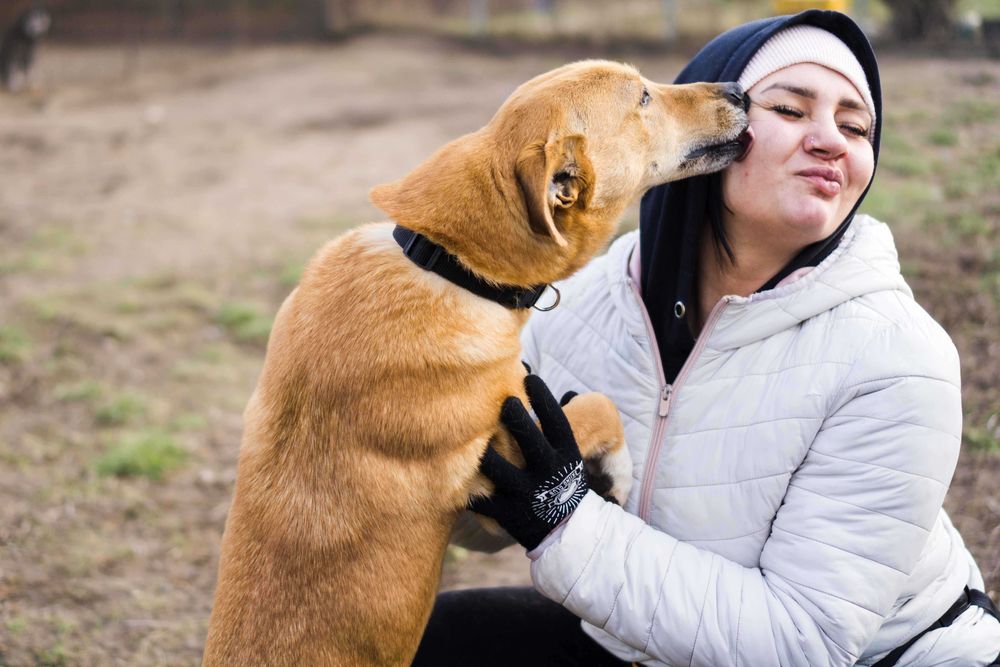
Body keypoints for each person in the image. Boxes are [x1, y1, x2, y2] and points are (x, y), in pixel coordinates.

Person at [412, 9, 1000, 667]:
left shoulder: (899, 357)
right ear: (701, 130)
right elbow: (486, 505)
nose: (831, 139)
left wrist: (566, 522)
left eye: (856, 125)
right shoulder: (578, 303)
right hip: (646, 638)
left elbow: (802, 640)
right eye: (791, 108)